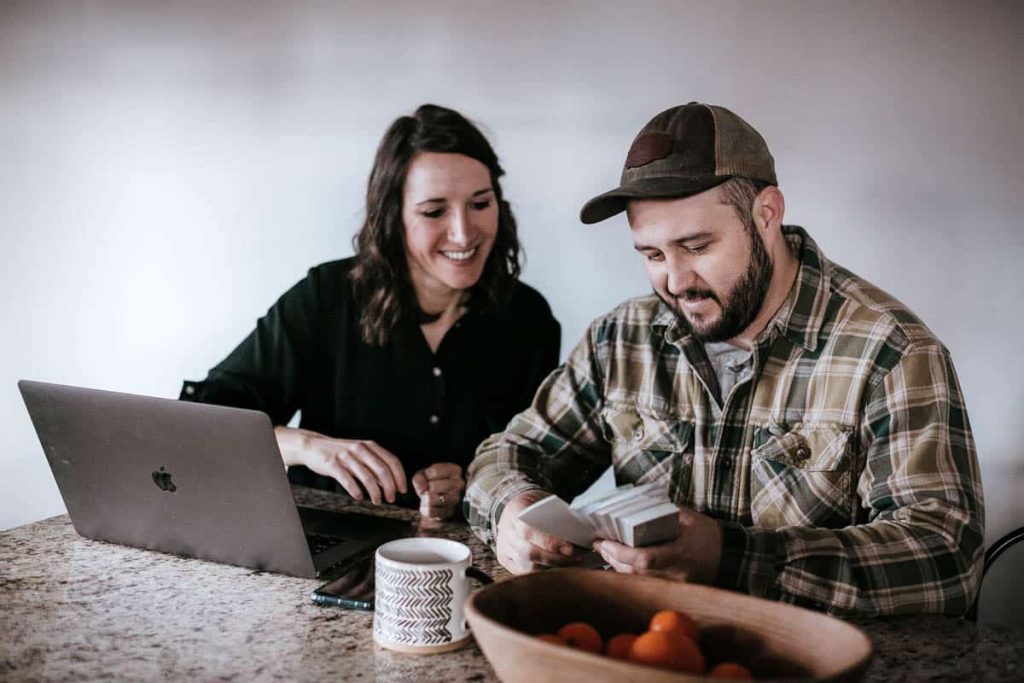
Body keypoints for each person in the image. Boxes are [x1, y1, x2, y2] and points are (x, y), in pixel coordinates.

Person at [464, 102, 984, 616]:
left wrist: (731, 558)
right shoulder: (621, 339)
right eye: (652, 255)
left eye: (697, 245)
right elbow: (508, 453)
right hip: (647, 652)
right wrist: (512, 508)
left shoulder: (890, 351)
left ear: (767, 214)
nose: (675, 280)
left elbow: (945, 557)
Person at [181, 104, 560, 521]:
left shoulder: (529, 319)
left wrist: (473, 484)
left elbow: (534, 466)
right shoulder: (325, 297)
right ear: (392, 217)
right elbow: (200, 427)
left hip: (461, 556)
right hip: (323, 540)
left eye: (480, 204)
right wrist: (310, 447)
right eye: (434, 211)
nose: (464, 232)